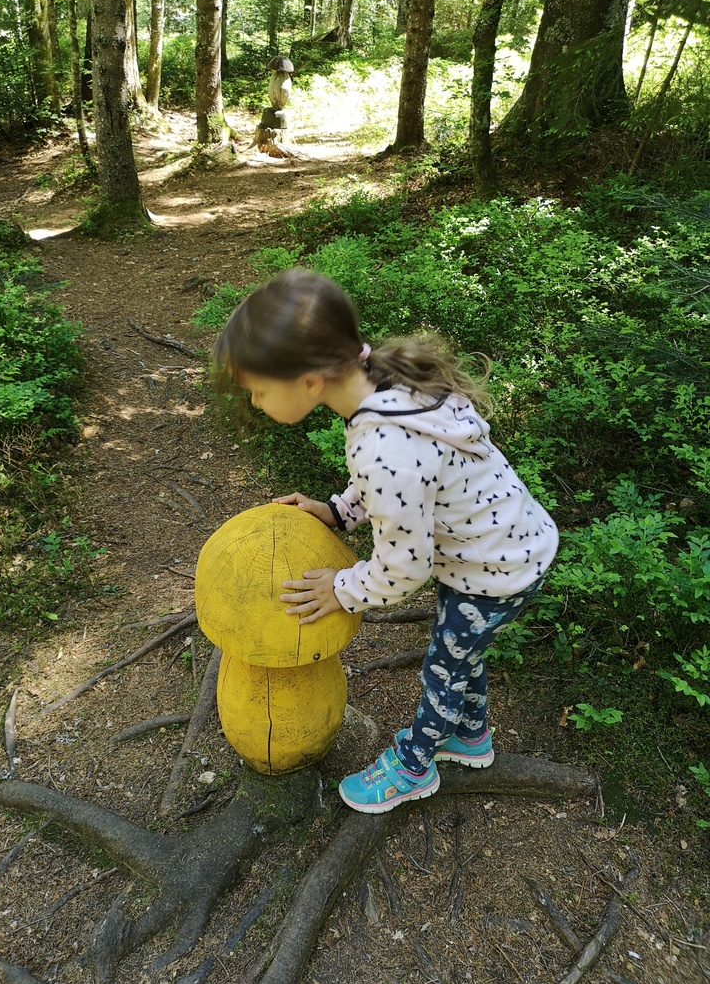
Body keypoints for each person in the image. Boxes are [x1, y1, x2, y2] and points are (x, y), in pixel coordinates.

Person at [213, 269, 559, 814]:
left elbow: (404, 566)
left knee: (443, 668)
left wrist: (342, 589)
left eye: (259, 390)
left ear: (309, 381)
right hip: (507, 548)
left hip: (494, 571)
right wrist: (337, 511)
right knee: (462, 652)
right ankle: (470, 736)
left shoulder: (381, 445)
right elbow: (396, 485)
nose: (255, 403)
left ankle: (414, 766)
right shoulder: (386, 390)